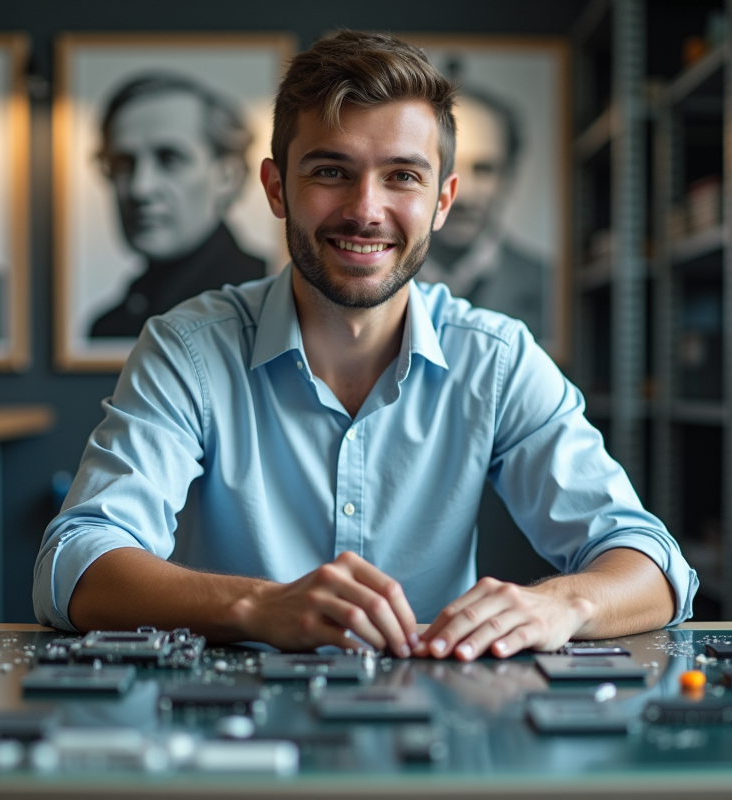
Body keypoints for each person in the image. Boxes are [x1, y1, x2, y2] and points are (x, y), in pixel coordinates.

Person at [34, 31, 696, 661]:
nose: (365, 210)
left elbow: (654, 566)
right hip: (233, 724)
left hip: (436, 719)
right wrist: (257, 606)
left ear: (442, 201)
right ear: (276, 188)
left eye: (402, 176)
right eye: (331, 171)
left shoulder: (497, 359)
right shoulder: (187, 350)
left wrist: (561, 605)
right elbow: (73, 564)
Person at [88, 72, 267, 338]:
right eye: (123, 164)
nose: (140, 188)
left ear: (228, 176)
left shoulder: (270, 303)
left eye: (170, 159)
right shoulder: (110, 327)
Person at [419, 85, 548, 337]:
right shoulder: (367, 282)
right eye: (445, 168)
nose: (462, 195)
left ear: (508, 177)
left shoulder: (550, 286)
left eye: (484, 169)